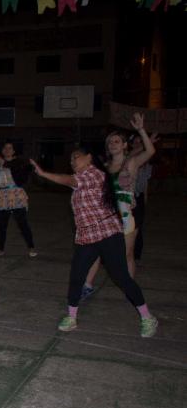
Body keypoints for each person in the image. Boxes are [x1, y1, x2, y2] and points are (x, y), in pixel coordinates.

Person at [31, 150, 157, 337]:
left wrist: (44, 174)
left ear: (90, 157)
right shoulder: (81, 178)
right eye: (71, 158)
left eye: (76, 156)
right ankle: (72, 317)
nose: (72, 160)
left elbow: (69, 181)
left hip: (107, 233)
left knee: (121, 277)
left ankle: (147, 317)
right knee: (76, 277)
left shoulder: (94, 174)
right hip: (86, 237)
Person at [81, 116, 156, 298]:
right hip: (105, 215)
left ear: (124, 145)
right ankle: (87, 285)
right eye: (110, 142)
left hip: (125, 215)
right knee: (96, 251)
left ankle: (128, 287)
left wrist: (141, 130)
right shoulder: (104, 167)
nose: (113, 144)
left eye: (117, 141)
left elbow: (150, 151)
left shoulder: (130, 163)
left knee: (126, 254)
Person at [0, 142, 37, 258]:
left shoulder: (17, 162)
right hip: (2, 197)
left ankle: (31, 247)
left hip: (15, 195)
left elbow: (7, 164)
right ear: (3, 151)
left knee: (22, 223)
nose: (7, 150)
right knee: (1, 225)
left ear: (14, 151)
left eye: (10, 148)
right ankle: (0, 249)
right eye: (5, 148)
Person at [131, 133, 158, 262]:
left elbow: (145, 185)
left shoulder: (146, 164)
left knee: (138, 227)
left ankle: (136, 254)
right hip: (125, 198)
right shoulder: (127, 159)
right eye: (136, 142)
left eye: (140, 142)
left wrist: (144, 201)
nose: (138, 144)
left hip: (138, 197)